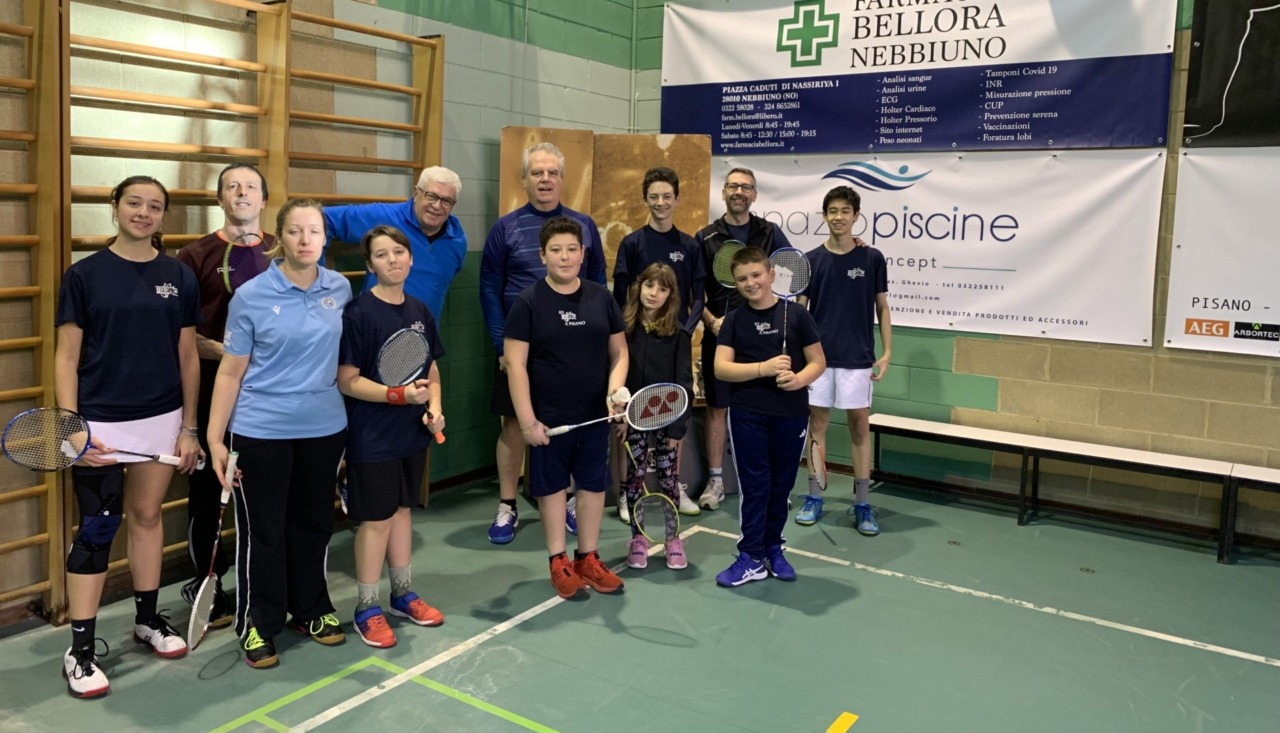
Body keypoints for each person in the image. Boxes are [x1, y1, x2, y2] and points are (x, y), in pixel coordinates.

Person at [54, 175, 202, 697]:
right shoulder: (83, 275)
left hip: (161, 418)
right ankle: (81, 649)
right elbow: (67, 356)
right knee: (97, 529)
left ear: (163, 215)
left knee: (145, 517)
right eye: (134, 203)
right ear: (114, 206)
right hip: (98, 424)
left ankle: (146, 620)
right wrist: (72, 428)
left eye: (155, 206)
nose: (144, 212)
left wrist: (189, 427)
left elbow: (187, 354)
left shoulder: (177, 277)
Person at [207, 198, 352, 669]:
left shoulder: (340, 289)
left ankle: (311, 609)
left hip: (324, 428)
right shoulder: (251, 295)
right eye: (295, 231)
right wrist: (214, 439)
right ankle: (256, 623)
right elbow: (230, 373)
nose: (306, 240)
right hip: (260, 431)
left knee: (314, 523)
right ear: (279, 238)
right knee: (262, 532)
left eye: (314, 231)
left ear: (325, 238)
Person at [480, 142, 607, 544]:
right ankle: (508, 505)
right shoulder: (505, 228)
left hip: (572, 347)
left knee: (569, 426)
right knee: (515, 424)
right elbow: (488, 288)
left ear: (562, 178)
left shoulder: (584, 225)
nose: (545, 179)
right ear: (524, 179)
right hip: (519, 347)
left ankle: (566, 499)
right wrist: (502, 346)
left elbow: (599, 282)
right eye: (537, 172)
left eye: (552, 172)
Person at [504, 217, 627, 599]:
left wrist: (615, 392)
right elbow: (516, 365)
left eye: (572, 249)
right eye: (556, 250)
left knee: (591, 486)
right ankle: (558, 561)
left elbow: (619, 351)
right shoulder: (528, 302)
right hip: (548, 420)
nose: (565, 256)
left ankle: (587, 558)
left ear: (583, 253)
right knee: (553, 489)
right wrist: (527, 423)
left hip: (594, 416)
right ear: (543, 255)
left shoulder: (600, 297)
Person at [337, 225, 447, 648]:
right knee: (376, 520)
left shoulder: (419, 309)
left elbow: (431, 370)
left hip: (410, 434)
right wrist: (396, 395)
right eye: (382, 255)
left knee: (402, 512)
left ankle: (402, 595)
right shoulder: (358, 314)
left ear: (411, 258)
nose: (393, 260)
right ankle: (367, 606)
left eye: (399, 252)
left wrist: (435, 409)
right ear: (370, 266)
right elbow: (347, 380)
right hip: (371, 436)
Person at [175, 162, 273, 632]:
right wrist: (226, 352)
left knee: (266, 492)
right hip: (216, 387)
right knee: (209, 491)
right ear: (220, 199)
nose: (241, 193)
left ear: (264, 199)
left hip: (273, 395)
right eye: (232, 186)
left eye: (250, 186)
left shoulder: (285, 250)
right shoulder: (194, 256)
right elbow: (180, 335)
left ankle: (267, 584)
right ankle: (206, 584)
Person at [713, 246, 825, 587]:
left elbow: (818, 362)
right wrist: (763, 368)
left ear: (772, 275)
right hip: (748, 414)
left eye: (757, 275)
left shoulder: (798, 316)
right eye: (743, 279)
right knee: (755, 485)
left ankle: (774, 549)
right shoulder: (734, 320)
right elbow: (721, 368)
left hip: (790, 414)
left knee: (781, 486)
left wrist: (798, 380)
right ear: (736, 283)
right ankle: (751, 556)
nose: (751, 283)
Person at [795, 186, 891, 535]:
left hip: (857, 359)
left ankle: (862, 504)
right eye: (832, 210)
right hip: (817, 359)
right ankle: (814, 496)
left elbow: (882, 307)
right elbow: (799, 310)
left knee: (859, 428)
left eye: (845, 211)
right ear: (824, 216)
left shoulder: (872, 258)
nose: (838, 216)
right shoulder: (810, 260)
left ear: (856, 216)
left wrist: (887, 352)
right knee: (817, 427)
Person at [695, 167, 792, 511]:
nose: (739, 192)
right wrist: (710, 322)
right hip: (722, 337)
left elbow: (793, 269)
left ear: (754, 195)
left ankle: (769, 481)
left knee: (765, 408)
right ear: (724, 192)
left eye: (746, 187)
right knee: (717, 408)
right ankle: (716, 480)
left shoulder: (770, 232)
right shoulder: (705, 237)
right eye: (733, 186)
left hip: (764, 339)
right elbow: (695, 293)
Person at [618, 263, 694, 571]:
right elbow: (617, 376)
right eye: (650, 285)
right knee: (634, 480)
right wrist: (620, 413)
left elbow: (684, 383)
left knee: (668, 478)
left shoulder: (679, 334)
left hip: (666, 421)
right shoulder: (624, 330)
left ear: (670, 295)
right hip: (633, 419)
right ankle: (638, 538)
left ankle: (673, 538)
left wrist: (677, 428)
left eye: (662, 289)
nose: (654, 293)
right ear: (639, 287)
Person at [324, 166, 466, 322]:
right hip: (373, 332)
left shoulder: (457, 242)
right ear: (416, 193)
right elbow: (323, 219)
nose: (437, 206)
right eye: (431, 196)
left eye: (446, 200)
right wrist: (316, 277)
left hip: (422, 337)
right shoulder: (384, 217)